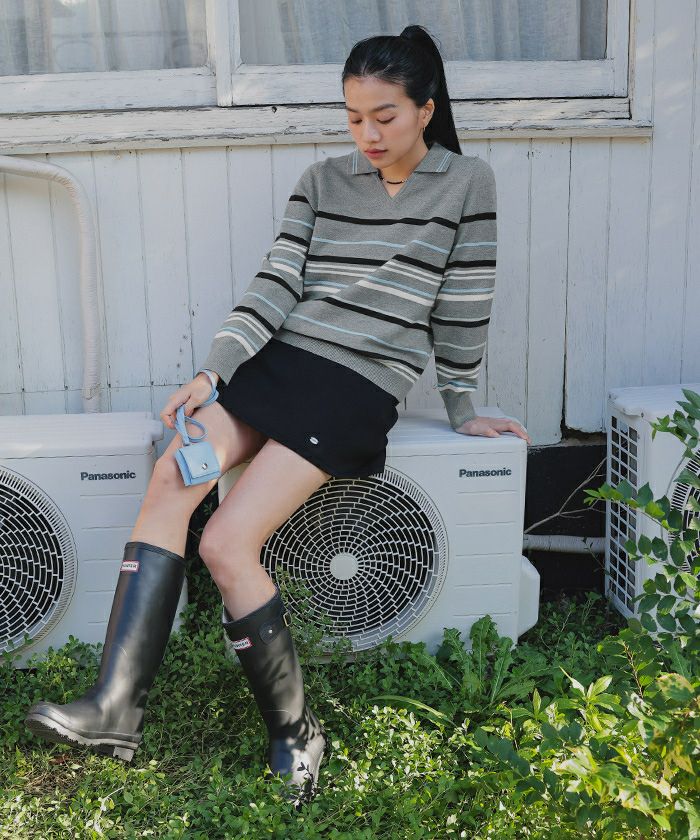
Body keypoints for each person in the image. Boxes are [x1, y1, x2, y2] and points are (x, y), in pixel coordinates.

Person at [24, 24, 530, 809]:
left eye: (385, 116)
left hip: (357, 384)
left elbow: (464, 304)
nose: (367, 134)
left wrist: (463, 404)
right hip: (279, 364)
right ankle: (114, 709)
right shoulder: (322, 180)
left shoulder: (467, 183)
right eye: (354, 117)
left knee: (226, 542)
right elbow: (276, 283)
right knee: (173, 475)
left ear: (426, 110)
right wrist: (213, 371)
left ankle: (296, 733)